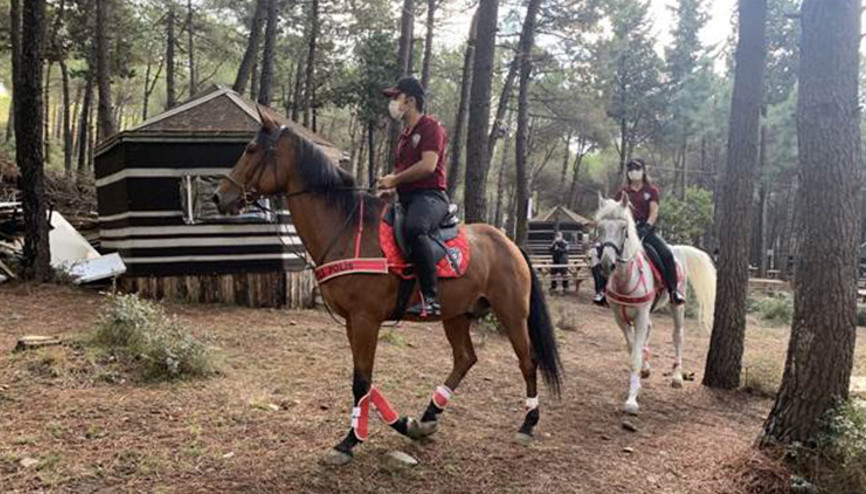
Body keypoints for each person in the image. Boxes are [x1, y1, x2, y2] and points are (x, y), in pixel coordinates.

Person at [377, 77, 449, 317]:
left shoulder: (431, 128)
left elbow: (428, 166)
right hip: (407, 198)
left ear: (410, 101)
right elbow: (404, 173)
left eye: (396, 98)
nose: (393, 103)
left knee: (415, 228)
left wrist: (395, 180)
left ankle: (431, 298)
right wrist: (391, 189)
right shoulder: (405, 136)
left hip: (431, 197)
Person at [592, 158, 686, 305]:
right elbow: (616, 213)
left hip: (646, 232)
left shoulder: (651, 191)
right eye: (630, 169)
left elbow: (654, 212)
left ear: (643, 171)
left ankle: (673, 291)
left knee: (666, 254)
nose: (633, 172)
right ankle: (601, 291)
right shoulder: (622, 192)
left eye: (636, 168)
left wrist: (646, 228)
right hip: (625, 234)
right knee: (599, 254)